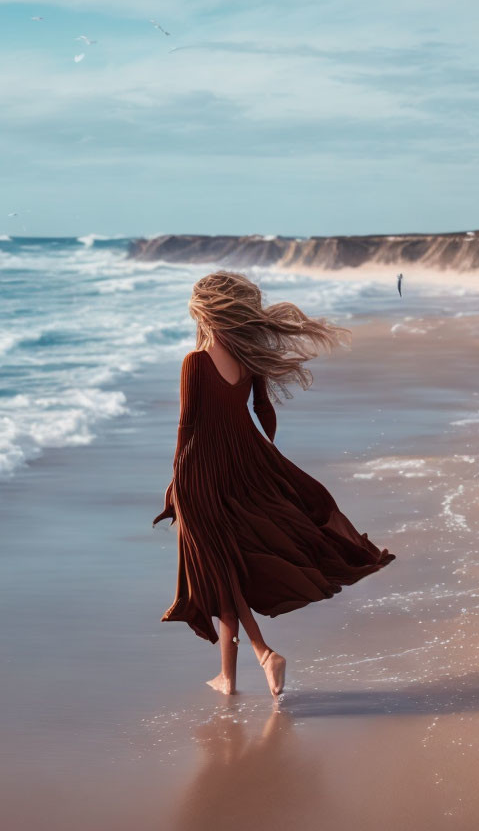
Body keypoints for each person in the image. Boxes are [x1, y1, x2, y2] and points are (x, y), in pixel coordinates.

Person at [152, 271, 395, 698]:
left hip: (202, 474)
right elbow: (263, 411)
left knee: (216, 567)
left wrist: (176, 482)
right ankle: (228, 677)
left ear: (204, 315)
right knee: (222, 569)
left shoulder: (195, 363)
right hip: (243, 464)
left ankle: (264, 653)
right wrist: (265, 459)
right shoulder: (248, 359)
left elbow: (186, 428)